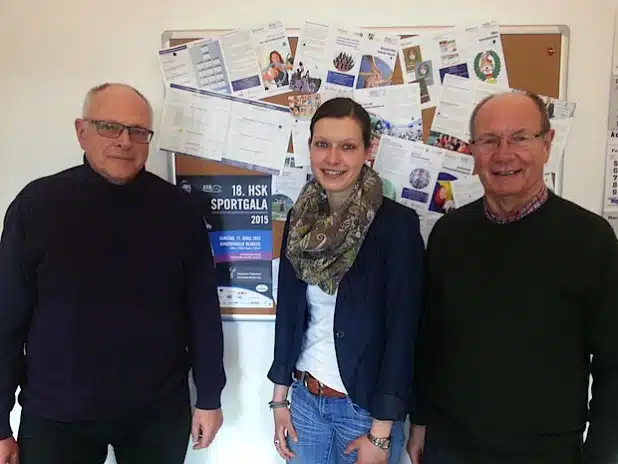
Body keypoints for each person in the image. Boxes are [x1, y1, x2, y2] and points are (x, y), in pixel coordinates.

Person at [0, 83, 226, 464]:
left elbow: (202, 311)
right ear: (81, 131)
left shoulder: (179, 211)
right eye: (110, 127)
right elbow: (7, 318)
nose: (125, 141)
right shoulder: (36, 206)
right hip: (58, 413)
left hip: (155, 412)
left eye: (138, 131)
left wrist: (208, 397)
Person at [407, 91, 618, 464]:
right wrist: (420, 422)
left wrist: (602, 455)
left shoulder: (591, 239)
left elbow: (612, 364)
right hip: (451, 446)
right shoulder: (448, 235)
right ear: (473, 151)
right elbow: (430, 340)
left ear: (547, 144)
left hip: (546, 453)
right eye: (489, 140)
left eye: (520, 137)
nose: (504, 154)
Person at [267, 97, 425, 463]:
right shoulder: (299, 218)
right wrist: (279, 399)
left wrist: (382, 434)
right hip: (305, 401)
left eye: (347, 146)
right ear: (309, 147)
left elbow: (405, 331)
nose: (333, 159)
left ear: (369, 150)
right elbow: (289, 314)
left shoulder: (396, 226)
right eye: (322, 144)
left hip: (365, 412)